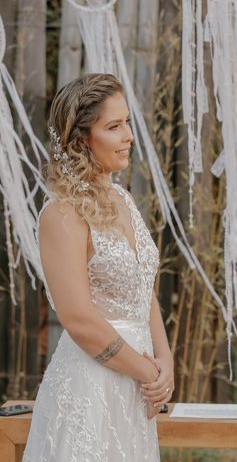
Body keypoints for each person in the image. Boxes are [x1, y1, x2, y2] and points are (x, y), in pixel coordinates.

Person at [23, 73, 174, 461]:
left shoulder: (123, 198)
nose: (128, 135)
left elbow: (144, 287)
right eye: (113, 126)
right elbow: (79, 319)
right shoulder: (62, 213)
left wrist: (165, 361)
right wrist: (147, 372)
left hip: (137, 388)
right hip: (90, 388)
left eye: (127, 122)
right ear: (81, 139)